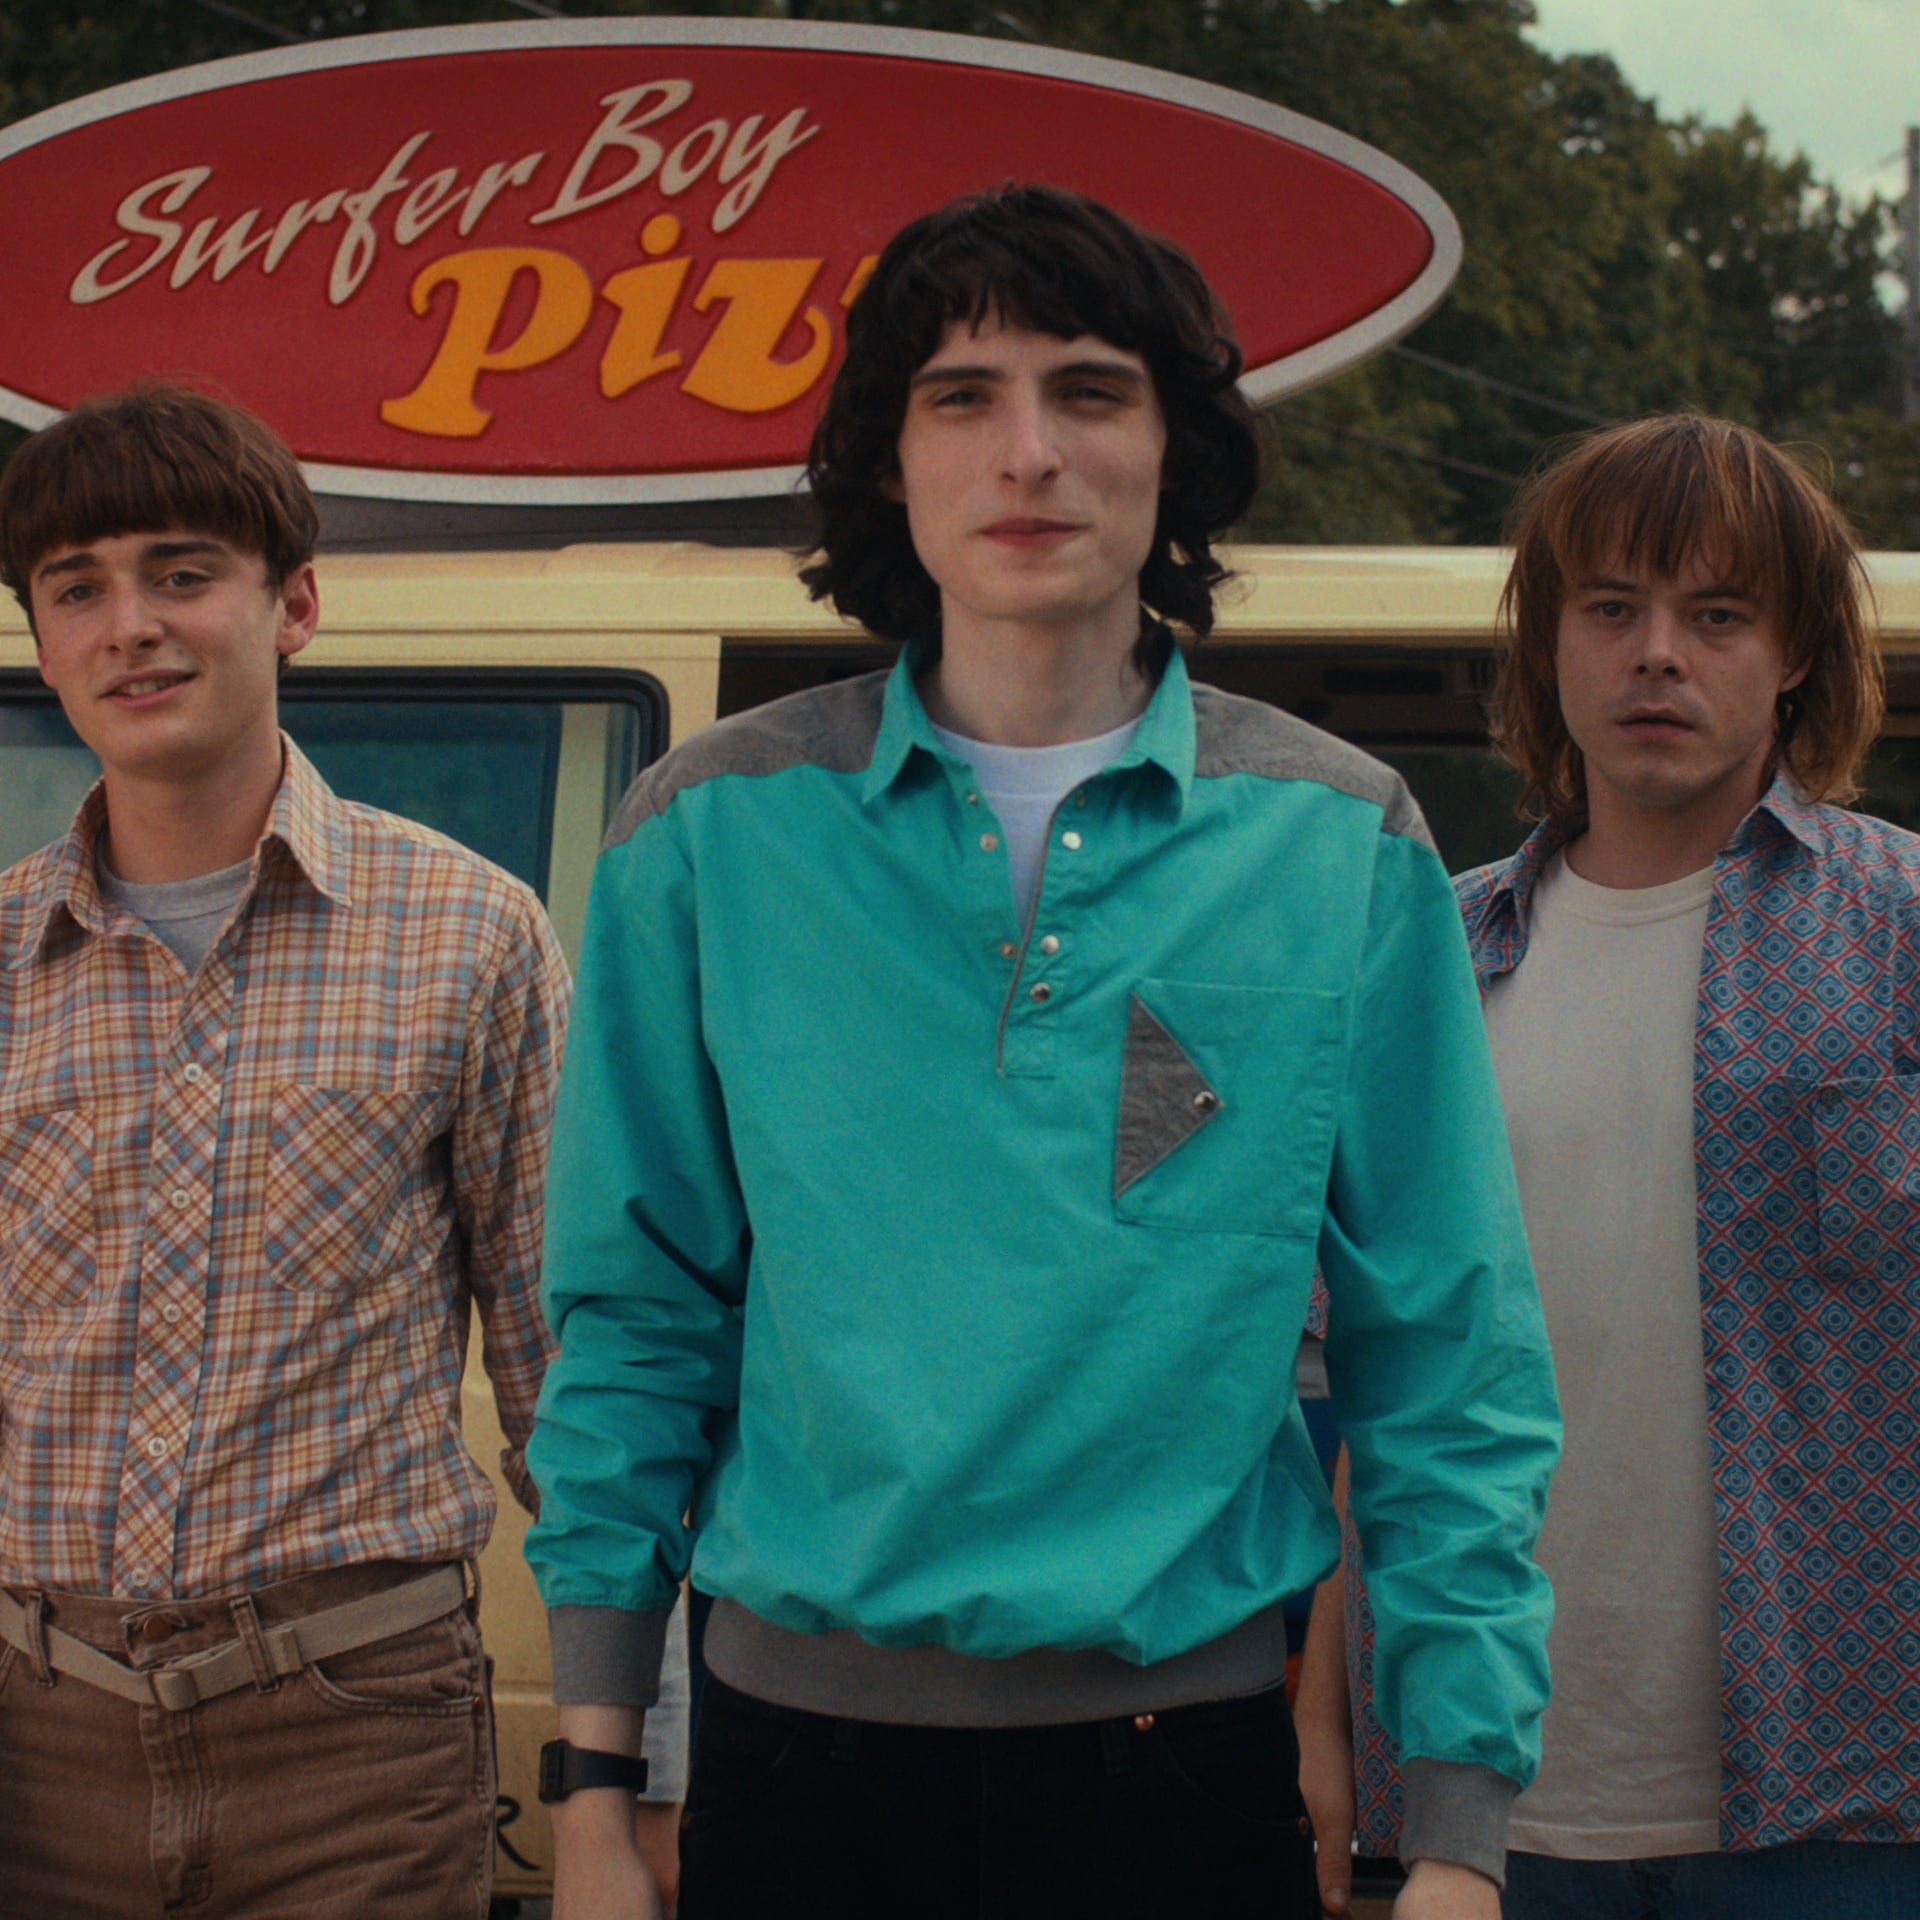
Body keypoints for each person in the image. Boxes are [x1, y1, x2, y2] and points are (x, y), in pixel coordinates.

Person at [525, 183, 1560, 1920]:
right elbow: (636, 1324)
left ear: (1173, 452)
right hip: (796, 1771)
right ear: (889, 460)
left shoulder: (1341, 842)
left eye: (1089, 392)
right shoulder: (707, 835)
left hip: (1185, 1774)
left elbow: (1448, 1355)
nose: (1029, 453)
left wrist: (1458, 1833)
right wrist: (594, 1793)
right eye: (963, 397)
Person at [0, 383, 683, 1917]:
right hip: (33, 1745)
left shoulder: (470, 933)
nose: (132, 627)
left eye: (183, 574)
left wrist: (624, 1778)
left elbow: (578, 1398)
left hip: (356, 1740)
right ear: (42, 641)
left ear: (294, 604)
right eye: (78, 589)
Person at [1297, 413, 1920, 1919]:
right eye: (1614, 608)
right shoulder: (1423, 963)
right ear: (1549, 640)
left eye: (1719, 616)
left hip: (1853, 1794)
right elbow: (1366, 1376)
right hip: (1479, 1790)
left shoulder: (1904, 937)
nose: (1658, 656)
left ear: (1795, 653)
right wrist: (1313, 1713)